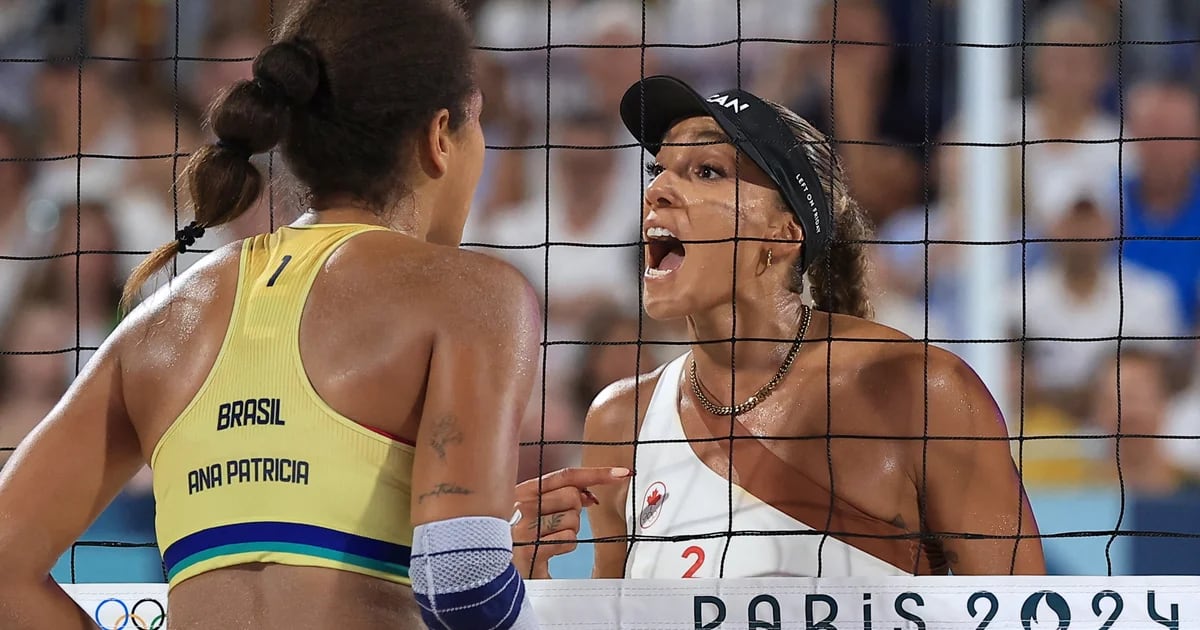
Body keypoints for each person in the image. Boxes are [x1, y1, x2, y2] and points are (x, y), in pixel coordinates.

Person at [0, 1, 545, 628]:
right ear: (440, 135)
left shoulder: (159, 322)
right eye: (478, 124)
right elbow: (465, 590)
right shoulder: (472, 293)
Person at [513, 76, 1046, 578]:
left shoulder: (920, 390)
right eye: (659, 171)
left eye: (707, 171)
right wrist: (531, 584)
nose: (658, 191)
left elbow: (1025, 611)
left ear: (784, 233)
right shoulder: (619, 420)